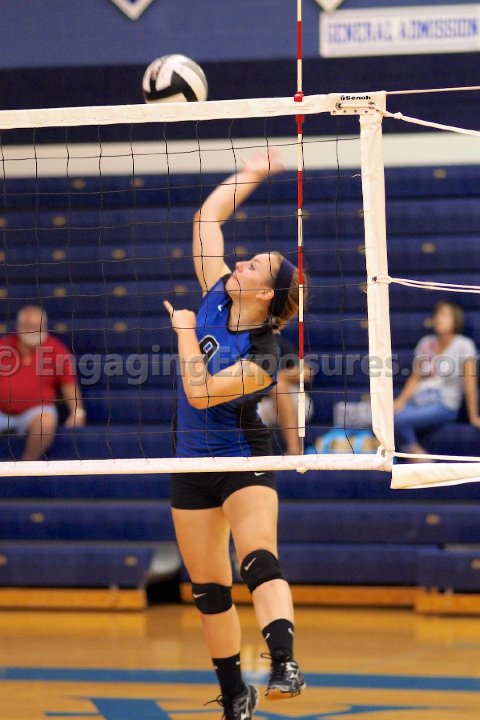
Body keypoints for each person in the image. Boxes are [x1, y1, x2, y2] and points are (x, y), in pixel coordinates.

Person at [164, 151, 306, 719]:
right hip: (190, 463)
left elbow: (201, 392)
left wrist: (183, 333)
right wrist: (253, 171)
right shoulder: (216, 292)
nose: (240, 263)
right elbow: (207, 218)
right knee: (208, 589)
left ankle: (284, 663)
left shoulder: (265, 355)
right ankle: (233, 694)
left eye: (253, 266)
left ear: (265, 293)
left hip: (241, 457)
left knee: (258, 561)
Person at [394, 300, 480, 459]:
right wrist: (400, 401)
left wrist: (474, 417)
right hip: (420, 400)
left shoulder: (464, 345)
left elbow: (470, 384)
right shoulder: (426, 343)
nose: (439, 319)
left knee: (398, 420)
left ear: (456, 320)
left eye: (445, 315)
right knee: (387, 417)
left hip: (444, 403)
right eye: (437, 315)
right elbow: (415, 378)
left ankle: (419, 458)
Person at [0, 305, 86, 460]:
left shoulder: (56, 349)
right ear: (19, 327)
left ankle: (26, 466)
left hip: (36, 412)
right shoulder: (3, 346)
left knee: (46, 422)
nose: (34, 331)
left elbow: (68, 383)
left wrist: (77, 412)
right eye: (29, 326)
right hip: (1, 411)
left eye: (37, 327)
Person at [257, 335, 314, 455]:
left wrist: (275, 377)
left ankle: (294, 451)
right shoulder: (236, 345)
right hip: (256, 404)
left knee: (278, 385)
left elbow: (306, 372)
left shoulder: (274, 341)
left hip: (292, 401)